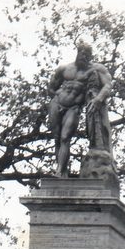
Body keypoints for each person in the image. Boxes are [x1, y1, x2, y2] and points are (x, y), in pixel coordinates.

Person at [48, 42, 113, 177]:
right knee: (57, 137)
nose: (84, 57)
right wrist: (57, 96)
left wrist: (98, 99)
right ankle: (62, 172)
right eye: (82, 53)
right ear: (77, 52)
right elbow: (51, 87)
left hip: (73, 107)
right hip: (56, 103)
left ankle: (59, 171)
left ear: (90, 57)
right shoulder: (64, 69)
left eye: (87, 55)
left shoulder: (96, 69)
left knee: (65, 137)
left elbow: (107, 86)